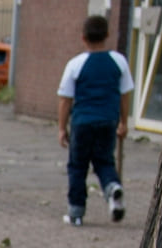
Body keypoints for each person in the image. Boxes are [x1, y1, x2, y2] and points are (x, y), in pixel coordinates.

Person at [57, 15, 133, 227]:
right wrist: (123, 122)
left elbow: (65, 99)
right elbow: (124, 94)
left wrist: (62, 128)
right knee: (104, 160)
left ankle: (76, 212)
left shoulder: (75, 64)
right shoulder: (119, 62)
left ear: (83, 38)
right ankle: (112, 188)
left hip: (82, 121)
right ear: (107, 35)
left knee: (78, 165)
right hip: (108, 120)